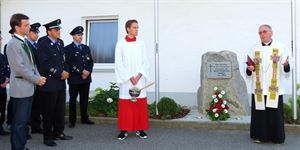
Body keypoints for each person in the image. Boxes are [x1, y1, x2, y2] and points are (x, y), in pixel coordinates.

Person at [6, 13, 46, 150]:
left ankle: (21, 146)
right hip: (21, 89)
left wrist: (39, 76)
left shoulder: (23, 41)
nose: (29, 27)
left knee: (24, 122)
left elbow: (32, 64)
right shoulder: (13, 44)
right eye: (26, 25)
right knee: (19, 123)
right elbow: (20, 69)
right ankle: (17, 147)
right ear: (17, 27)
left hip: (28, 87)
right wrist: (37, 79)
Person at [246, 24, 291, 144]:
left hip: (273, 87)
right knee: (260, 113)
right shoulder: (254, 48)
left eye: (264, 32)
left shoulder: (280, 47)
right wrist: (249, 68)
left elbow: (286, 68)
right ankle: (260, 136)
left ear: (271, 33)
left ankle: (277, 138)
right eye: (260, 32)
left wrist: (286, 64)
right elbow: (249, 67)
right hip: (259, 87)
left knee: (275, 113)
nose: (262, 34)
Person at [37, 19, 72, 147]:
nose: (59, 31)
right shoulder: (43, 43)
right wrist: (59, 73)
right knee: (48, 111)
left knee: (59, 110)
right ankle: (48, 137)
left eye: (59, 29)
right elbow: (44, 63)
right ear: (49, 31)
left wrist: (66, 71)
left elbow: (64, 60)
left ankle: (59, 132)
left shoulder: (60, 43)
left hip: (60, 82)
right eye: (56, 30)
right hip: (49, 83)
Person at [115, 19, 150, 140]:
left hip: (139, 80)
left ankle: (140, 129)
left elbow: (145, 61)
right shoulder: (120, 44)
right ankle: (124, 129)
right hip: (127, 81)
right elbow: (119, 63)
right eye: (135, 27)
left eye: (137, 27)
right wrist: (130, 77)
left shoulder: (141, 43)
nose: (137, 29)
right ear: (128, 28)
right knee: (126, 105)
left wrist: (139, 75)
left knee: (139, 104)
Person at [65, 26, 94, 128]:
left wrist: (88, 72)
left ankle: (84, 118)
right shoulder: (67, 49)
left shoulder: (86, 48)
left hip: (86, 79)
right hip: (74, 79)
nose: (80, 36)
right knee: (73, 100)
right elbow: (68, 64)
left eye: (81, 35)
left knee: (84, 99)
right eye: (78, 35)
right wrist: (82, 71)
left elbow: (90, 62)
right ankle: (72, 120)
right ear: (73, 36)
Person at [26, 22, 43, 134]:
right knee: (27, 106)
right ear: (28, 33)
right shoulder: (25, 45)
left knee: (37, 104)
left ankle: (36, 126)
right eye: (34, 32)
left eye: (37, 32)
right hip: (29, 79)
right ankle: (25, 130)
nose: (36, 34)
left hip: (39, 79)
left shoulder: (38, 45)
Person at [0, 31, 10, 136]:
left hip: (3, 87)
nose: (0, 41)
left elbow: (7, 68)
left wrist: (7, 80)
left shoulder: (2, 56)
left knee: (2, 108)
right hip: (0, 85)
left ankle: (0, 127)